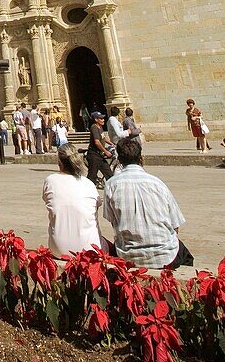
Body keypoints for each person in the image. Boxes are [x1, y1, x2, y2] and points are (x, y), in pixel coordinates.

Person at [104, 138, 193, 269]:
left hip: (128, 255)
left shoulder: (111, 185)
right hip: (165, 255)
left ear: (120, 162)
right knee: (187, 258)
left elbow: (112, 221)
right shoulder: (157, 184)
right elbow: (176, 226)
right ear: (142, 159)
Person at [42, 144, 105, 258]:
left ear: (59, 162)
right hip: (90, 250)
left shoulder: (50, 181)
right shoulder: (88, 184)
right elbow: (97, 205)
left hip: (58, 249)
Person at [86, 111, 113, 184]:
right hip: (94, 155)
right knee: (92, 176)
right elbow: (97, 142)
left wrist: (112, 144)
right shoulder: (94, 127)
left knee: (109, 174)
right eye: (101, 118)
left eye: (103, 118)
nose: (103, 120)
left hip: (100, 155)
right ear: (96, 119)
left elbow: (104, 138)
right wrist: (106, 151)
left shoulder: (100, 127)